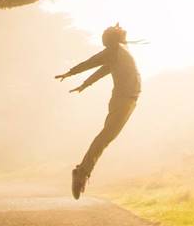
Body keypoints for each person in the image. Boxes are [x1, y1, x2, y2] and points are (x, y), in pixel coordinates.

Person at [55, 23, 141, 199]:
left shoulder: (120, 50)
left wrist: (84, 84)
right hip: (123, 100)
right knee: (105, 136)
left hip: (128, 100)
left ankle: (83, 171)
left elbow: (103, 69)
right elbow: (92, 62)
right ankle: (82, 172)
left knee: (106, 137)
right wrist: (71, 73)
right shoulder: (116, 50)